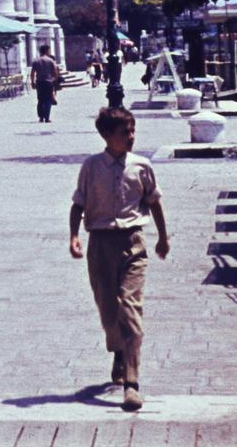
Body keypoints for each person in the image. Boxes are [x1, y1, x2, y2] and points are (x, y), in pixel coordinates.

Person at [68, 107, 171, 412]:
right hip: (100, 243)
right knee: (108, 310)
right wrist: (74, 235)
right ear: (106, 136)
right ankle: (119, 350)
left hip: (133, 242)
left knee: (130, 308)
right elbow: (78, 204)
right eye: (124, 132)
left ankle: (132, 383)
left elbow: (154, 202)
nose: (131, 137)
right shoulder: (91, 167)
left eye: (133, 131)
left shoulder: (141, 166)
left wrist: (163, 237)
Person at [29, 43, 60, 123]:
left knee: (40, 100)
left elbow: (32, 73)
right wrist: (54, 79)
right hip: (48, 82)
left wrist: (32, 82)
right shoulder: (50, 60)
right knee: (48, 100)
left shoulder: (36, 61)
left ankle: (41, 117)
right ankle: (47, 117)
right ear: (46, 51)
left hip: (39, 82)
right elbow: (55, 72)